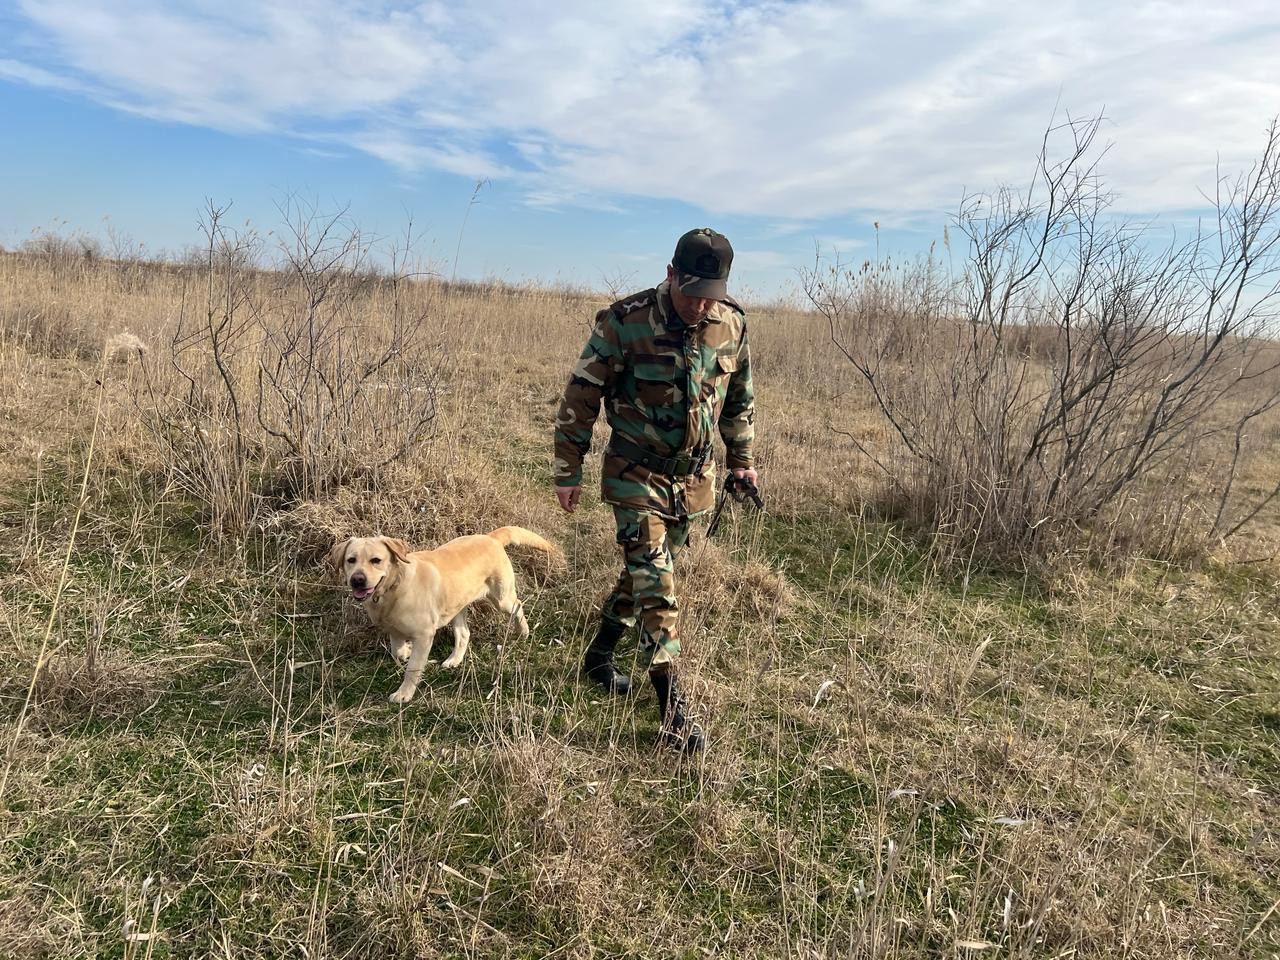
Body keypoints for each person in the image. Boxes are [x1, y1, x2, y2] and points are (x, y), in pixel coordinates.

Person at [552, 227, 758, 753]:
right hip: (634, 473)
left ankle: (599, 656)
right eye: (691, 292)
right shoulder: (624, 321)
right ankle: (672, 712)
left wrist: (742, 464)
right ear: (670, 275)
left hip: (692, 480)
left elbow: (738, 401)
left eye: (709, 293)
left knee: (643, 573)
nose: (699, 304)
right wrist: (567, 468)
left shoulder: (730, 324)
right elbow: (582, 395)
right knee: (658, 586)